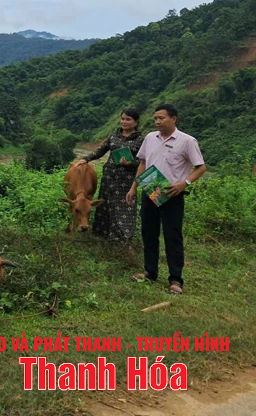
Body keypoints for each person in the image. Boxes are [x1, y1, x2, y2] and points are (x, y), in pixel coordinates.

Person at [126, 104, 206, 295]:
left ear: (174, 119)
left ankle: (176, 279)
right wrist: (133, 187)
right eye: (155, 119)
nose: (157, 122)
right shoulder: (150, 138)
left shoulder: (187, 141)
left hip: (172, 195)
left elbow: (200, 167)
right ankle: (150, 271)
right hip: (150, 191)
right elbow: (143, 162)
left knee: (173, 237)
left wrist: (183, 183)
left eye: (161, 118)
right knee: (149, 233)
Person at [75, 109, 144, 242]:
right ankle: (102, 235)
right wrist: (86, 159)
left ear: (136, 122)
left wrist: (131, 163)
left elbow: (144, 161)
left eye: (128, 119)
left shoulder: (141, 140)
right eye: (123, 118)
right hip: (109, 177)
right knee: (105, 205)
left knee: (124, 206)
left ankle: (121, 238)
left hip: (126, 180)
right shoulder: (114, 135)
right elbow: (101, 150)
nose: (124, 122)